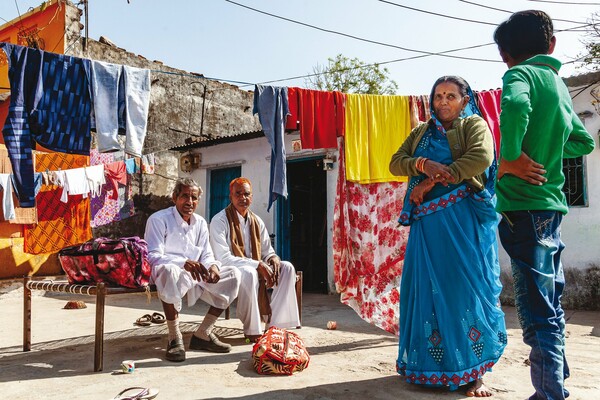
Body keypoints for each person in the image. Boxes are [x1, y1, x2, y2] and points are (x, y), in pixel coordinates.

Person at [493, 11, 595, 400]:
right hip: (549, 211)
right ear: (551, 45)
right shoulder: (557, 83)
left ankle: (551, 393)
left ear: (505, 55)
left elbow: (516, 108)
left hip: (525, 209)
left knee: (539, 310)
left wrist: (513, 157)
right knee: (543, 300)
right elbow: (583, 142)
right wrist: (550, 151)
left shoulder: (519, 76)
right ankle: (557, 375)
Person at [389, 76, 507, 397]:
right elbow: (396, 163)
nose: (443, 102)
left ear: (463, 98)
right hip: (427, 228)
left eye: (450, 96)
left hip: (461, 221)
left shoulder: (474, 125)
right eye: (439, 96)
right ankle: (429, 368)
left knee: (461, 290)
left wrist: (436, 180)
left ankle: (474, 371)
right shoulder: (421, 132)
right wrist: (423, 164)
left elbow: (481, 158)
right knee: (425, 291)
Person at [145, 178, 241, 362]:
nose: (189, 202)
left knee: (233, 275)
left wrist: (213, 267)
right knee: (168, 271)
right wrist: (184, 263)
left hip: (196, 273)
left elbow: (207, 254)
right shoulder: (158, 219)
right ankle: (174, 337)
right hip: (168, 273)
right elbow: (152, 256)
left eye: (194, 197)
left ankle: (203, 333)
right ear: (175, 197)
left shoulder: (200, 223)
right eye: (185, 196)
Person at [209, 177, 301, 342]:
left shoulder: (257, 221)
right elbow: (223, 258)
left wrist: (273, 258)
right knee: (250, 272)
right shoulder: (219, 220)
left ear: (251, 197)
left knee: (287, 268)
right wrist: (257, 264)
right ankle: (252, 329)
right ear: (231, 197)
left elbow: (267, 250)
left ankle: (275, 325)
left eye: (247, 194)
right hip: (230, 270)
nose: (243, 198)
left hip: (256, 267)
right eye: (238, 194)